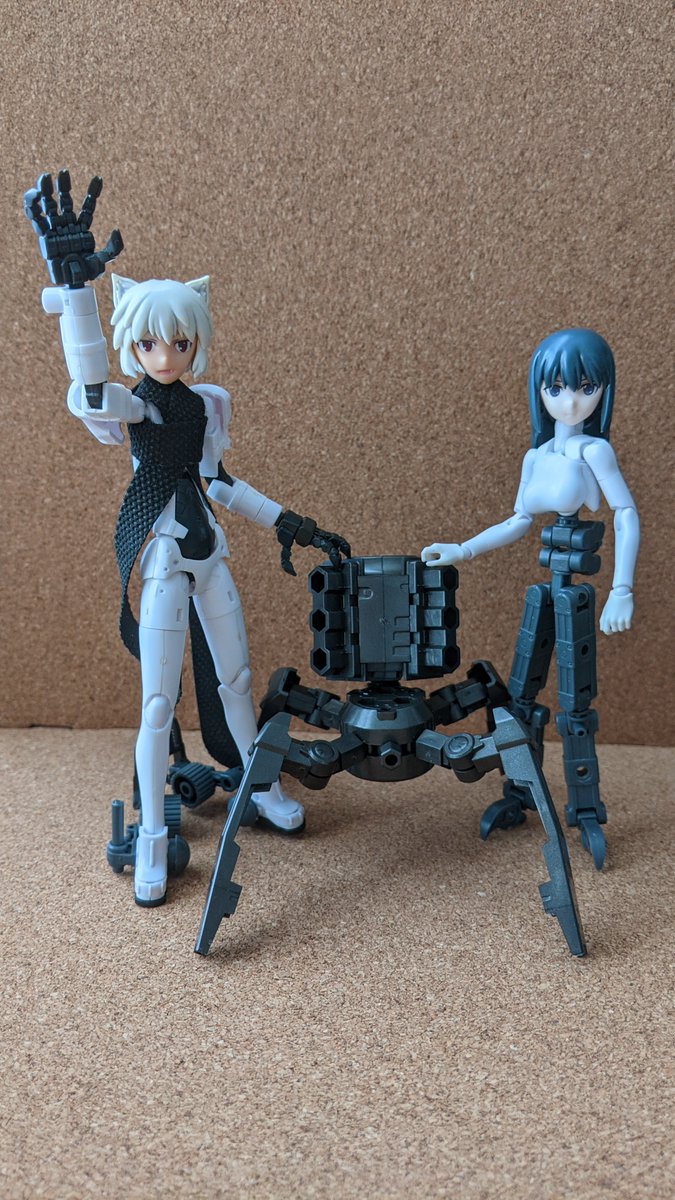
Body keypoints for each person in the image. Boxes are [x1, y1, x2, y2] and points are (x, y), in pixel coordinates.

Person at [26, 170, 349, 906]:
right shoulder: (136, 407)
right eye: (149, 343)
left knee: (237, 682)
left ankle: (257, 787)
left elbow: (221, 482)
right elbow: (90, 391)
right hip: (167, 559)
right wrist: (76, 293)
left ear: (196, 340)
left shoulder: (206, 403)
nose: (165, 356)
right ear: (133, 344)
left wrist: (292, 524)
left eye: (178, 341)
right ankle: (152, 835)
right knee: (157, 703)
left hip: (211, 555)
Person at [422, 328, 640, 866]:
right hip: (546, 587)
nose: (571, 401)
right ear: (539, 391)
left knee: (575, 705)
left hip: (576, 591)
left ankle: (585, 810)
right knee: (521, 697)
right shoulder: (536, 455)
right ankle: (520, 792)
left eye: (585, 387)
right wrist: (462, 549)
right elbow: (519, 520)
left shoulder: (595, 450)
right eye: (557, 388)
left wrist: (622, 589)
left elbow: (625, 513)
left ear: (603, 390)